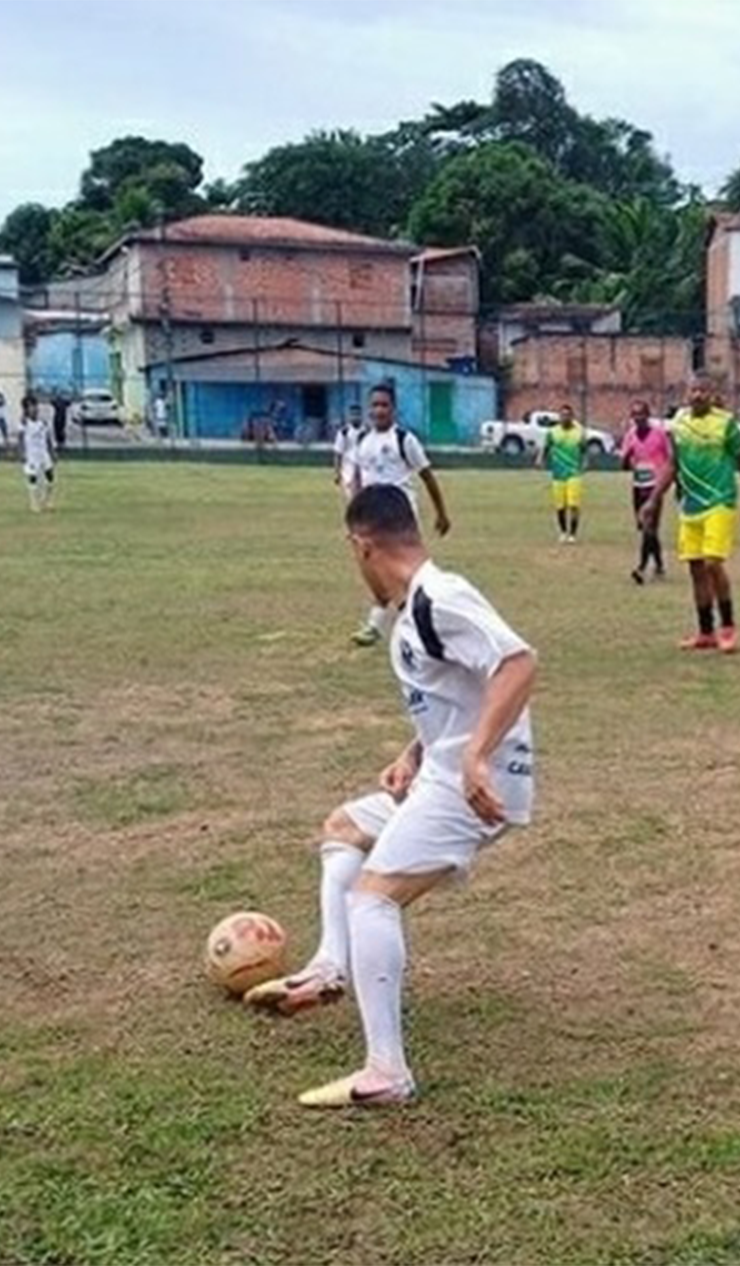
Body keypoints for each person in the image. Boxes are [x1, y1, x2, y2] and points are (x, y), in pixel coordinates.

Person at [246, 483, 537, 1110]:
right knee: (343, 827)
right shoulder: (414, 609)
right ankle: (330, 965)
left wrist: (477, 757)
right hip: (445, 773)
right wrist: (414, 752)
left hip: (473, 784)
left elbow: (518, 664)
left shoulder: (441, 597)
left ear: (362, 545)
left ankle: (386, 1073)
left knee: (373, 899)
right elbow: (458, 693)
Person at [644, 374, 740, 653]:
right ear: (687, 393)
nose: (697, 395)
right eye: (693, 390)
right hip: (690, 505)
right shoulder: (680, 423)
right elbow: (673, 464)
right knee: (695, 568)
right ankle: (705, 632)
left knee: (712, 563)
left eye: (703, 391)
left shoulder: (725, 423)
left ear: (712, 394)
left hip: (720, 501)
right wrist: (653, 499)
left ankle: (728, 627)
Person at [343, 381, 452, 646]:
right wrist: (354, 515)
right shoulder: (361, 439)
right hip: (370, 518)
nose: (379, 410)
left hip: (400, 517)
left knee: (405, 571)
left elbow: (427, 476)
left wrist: (441, 513)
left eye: (384, 405)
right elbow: (357, 476)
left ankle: (415, 621)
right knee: (373, 568)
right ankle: (380, 623)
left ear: (393, 409)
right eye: (375, 405)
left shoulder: (404, 439)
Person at [619, 399, 672, 584]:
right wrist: (626, 458)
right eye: (635, 415)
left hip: (655, 486)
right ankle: (659, 565)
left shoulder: (659, 435)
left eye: (642, 414)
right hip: (639, 485)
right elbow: (624, 465)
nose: (638, 418)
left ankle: (641, 568)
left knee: (649, 525)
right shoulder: (630, 435)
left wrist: (668, 480)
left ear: (648, 416)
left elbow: (670, 460)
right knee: (646, 529)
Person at [537, 403, 588, 543]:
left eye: (568, 415)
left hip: (574, 473)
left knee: (573, 505)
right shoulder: (553, 432)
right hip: (558, 474)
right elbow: (546, 447)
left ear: (572, 417)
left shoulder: (579, 432)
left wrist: (584, 462)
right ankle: (563, 532)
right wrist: (540, 458)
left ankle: (572, 534)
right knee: (560, 506)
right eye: (562, 415)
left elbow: (584, 449)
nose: (565, 418)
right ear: (559, 417)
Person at [20, 403, 57, 513]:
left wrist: (52, 452)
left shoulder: (43, 423)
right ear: (28, 411)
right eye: (31, 410)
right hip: (32, 455)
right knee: (33, 478)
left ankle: (47, 501)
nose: (34, 411)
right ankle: (34, 503)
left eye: (35, 409)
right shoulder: (25, 423)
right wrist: (22, 452)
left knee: (50, 476)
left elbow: (48, 439)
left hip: (43, 453)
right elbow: (20, 438)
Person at [332, 404, 365, 494]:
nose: (355, 417)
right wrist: (337, 472)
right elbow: (338, 454)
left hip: (364, 469)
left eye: (358, 415)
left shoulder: (367, 431)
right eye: (353, 415)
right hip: (348, 470)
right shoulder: (344, 433)